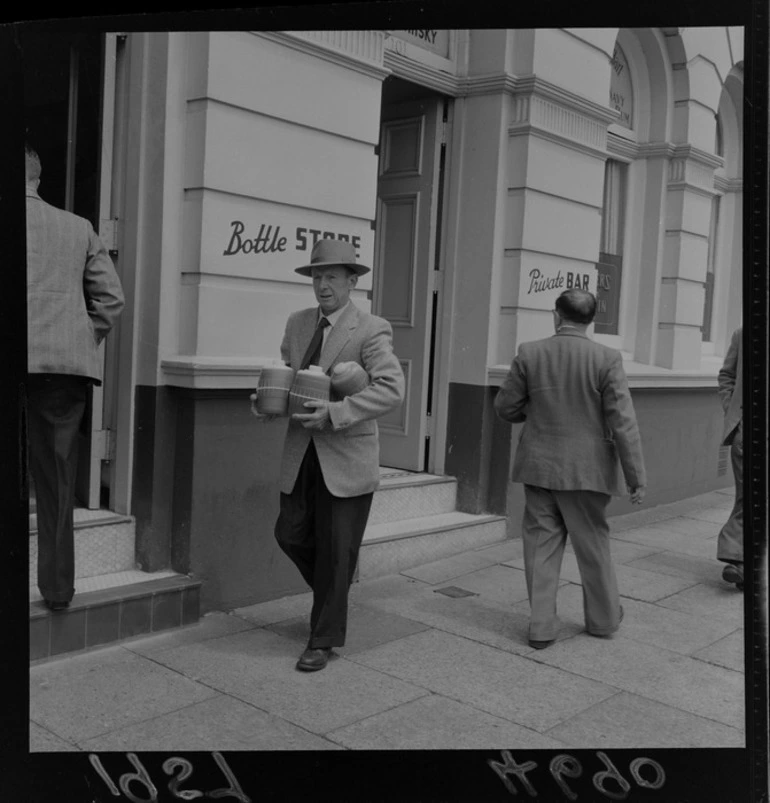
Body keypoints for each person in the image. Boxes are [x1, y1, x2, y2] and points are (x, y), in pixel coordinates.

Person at [251, 239, 404, 671]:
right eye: (317, 276)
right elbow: (286, 376)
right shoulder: (298, 323)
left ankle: (323, 639)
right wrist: (265, 402)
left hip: (347, 455)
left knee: (338, 550)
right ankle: (332, 591)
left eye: (332, 277)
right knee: (290, 534)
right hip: (301, 455)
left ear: (352, 282)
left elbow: (392, 389)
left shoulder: (371, 328)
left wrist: (338, 412)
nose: (322, 285)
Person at [494, 288, 646, 649]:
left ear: (556, 315)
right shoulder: (607, 358)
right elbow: (623, 422)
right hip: (587, 471)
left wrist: (533, 410)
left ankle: (541, 627)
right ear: (591, 321)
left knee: (541, 547)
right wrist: (636, 477)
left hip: (540, 466)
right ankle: (604, 619)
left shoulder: (530, 353)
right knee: (593, 545)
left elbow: (505, 407)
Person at [26, 143, 125, 611]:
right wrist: (78, 339)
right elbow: (110, 300)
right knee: (57, 480)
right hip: (63, 373)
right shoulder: (78, 227)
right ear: (38, 177)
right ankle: (59, 591)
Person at [716, 326, 743, 590]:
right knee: (749, 496)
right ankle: (736, 559)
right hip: (747, 432)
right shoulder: (743, 333)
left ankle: (740, 561)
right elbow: (727, 375)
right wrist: (733, 409)